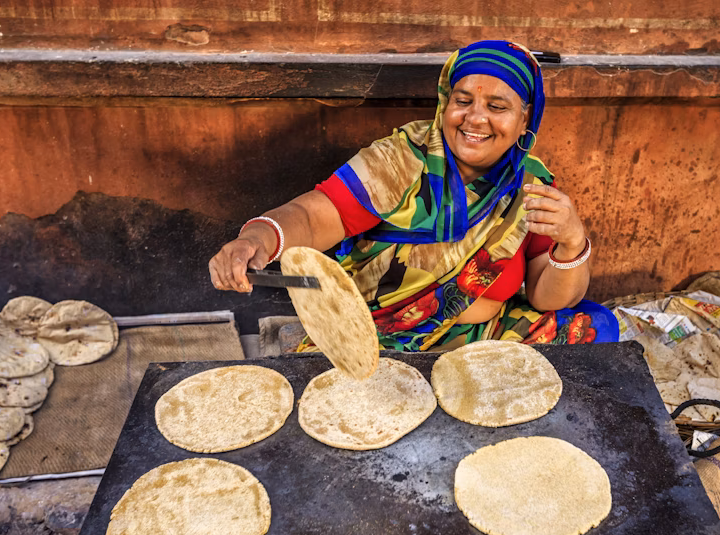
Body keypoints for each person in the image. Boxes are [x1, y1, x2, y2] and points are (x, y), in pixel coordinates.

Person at [209, 40, 618, 351]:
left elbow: (548, 297)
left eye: (497, 106)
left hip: (480, 336)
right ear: (445, 103)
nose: (475, 118)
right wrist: (255, 240)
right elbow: (314, 216)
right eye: (463, 101)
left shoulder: (531, 184)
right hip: (382, 335)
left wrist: (572, 241)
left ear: (525, 117)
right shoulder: (401, 159)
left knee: (595, 330)